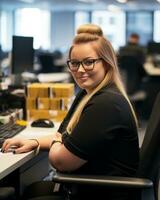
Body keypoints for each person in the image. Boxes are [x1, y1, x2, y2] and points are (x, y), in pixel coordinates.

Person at [1, 24, 139, 200]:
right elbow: (65, 137)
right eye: (74, 63)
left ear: (107, 62)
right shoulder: (89, 93)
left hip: (98, 193)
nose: (80, 70)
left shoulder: (106, 104)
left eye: (89, 62)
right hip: (87, 185)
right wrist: (35, 141)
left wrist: (59, 141)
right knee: (29, 190)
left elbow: (60, 160)